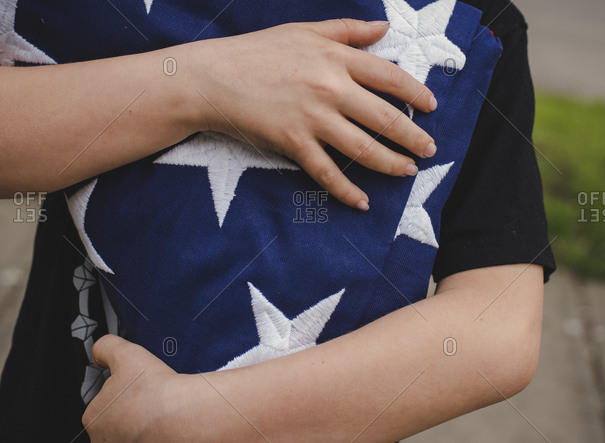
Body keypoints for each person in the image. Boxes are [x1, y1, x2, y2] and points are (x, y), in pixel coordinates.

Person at [0, 0, 555, 441]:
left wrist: (199, 419)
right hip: (57, 406)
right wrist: (200, 83)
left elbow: (498, 327)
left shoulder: (472, 21)